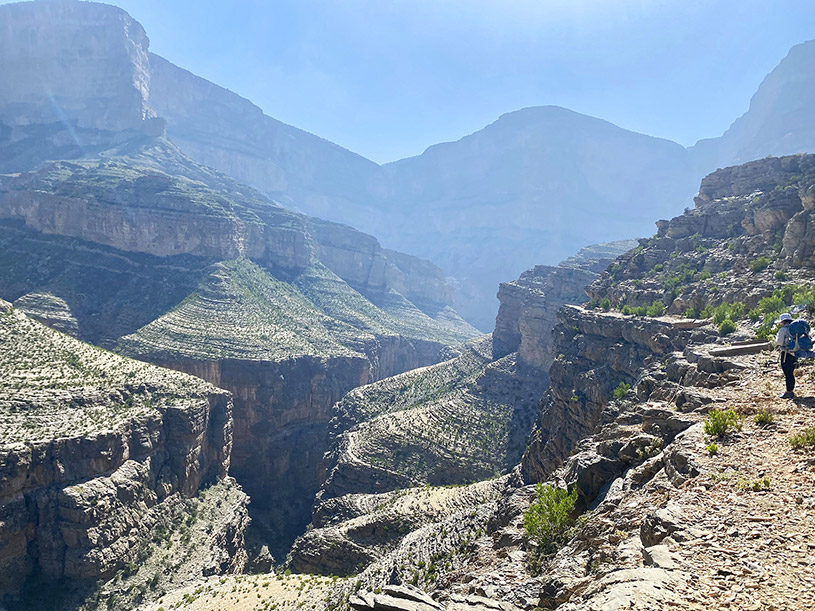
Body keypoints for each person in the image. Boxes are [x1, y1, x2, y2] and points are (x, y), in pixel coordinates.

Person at [775, 313, 797, 398]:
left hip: (786, 354)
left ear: (783, 321)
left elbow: (779, 342)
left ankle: (789, 392)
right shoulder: (795, 329)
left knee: (787, 373)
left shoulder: (783, 330)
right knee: (791, 372)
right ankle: (791, 390)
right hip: (795, 353)